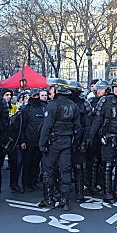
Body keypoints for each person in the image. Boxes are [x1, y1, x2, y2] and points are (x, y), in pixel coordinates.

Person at [38, 79, 81, 211]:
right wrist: (75, 144)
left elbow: (46, 127)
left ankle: (49, 199)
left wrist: (42, 144)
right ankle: (64, 200)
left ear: (57, 90)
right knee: (65, 171)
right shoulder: (73, 105)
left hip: (54, 142)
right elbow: (78, 128)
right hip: (67, 142)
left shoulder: (52, 105)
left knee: (49, 172)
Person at [87, 77, 117, 203]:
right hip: (108, 138)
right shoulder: (105, 101)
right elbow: (97, 120)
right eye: (115, 87)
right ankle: (107, 192)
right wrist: (90, 137)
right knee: (107, 166)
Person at [68, 81, 92, 203]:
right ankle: (64, 193)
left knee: (78, 167)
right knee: (64, 168)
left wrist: (85, 141)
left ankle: (79, 193)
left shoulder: (84, 104)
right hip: (67, 138)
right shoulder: (65, 103)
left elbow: (88, 124)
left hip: (79, 137)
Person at [19, 89, 46, 192]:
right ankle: (26, 184)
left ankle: (33, 182)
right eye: (34, 96)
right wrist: (22, 141)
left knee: (36, 164)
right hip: (28, 140)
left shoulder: (43, 108)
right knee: (27, 164)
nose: (36, 98)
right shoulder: (26, 109)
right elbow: (22, 126)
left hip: (39, 141)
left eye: (37, 96)